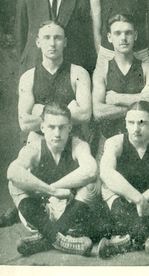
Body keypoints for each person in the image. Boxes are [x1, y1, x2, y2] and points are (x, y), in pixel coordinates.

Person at [0, 21, 92, 229]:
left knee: (89, 179)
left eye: (57, 38)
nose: (52, 43)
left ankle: (43, 211)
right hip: (39, 141)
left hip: (70, 141)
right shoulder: (28, 77)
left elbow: (85, 114)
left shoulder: (78, 73)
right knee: (26, 157)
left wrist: (40, 111)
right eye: (46, 38)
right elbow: (24, 122)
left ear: (65, 42)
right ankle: (23, 205)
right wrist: (65, 112)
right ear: (38, 42)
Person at [7, 102, 103, 257]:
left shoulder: (78, 145)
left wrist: (54, 187)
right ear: (42, 127)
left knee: (93, 184)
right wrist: (52, 191)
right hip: (40, 214)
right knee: (15, 184)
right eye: (51, 127)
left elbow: (91, 170)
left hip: (71, 213)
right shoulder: (34, 147)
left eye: (62, 127)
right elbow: (12, 171)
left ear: (70, 127)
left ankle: (46, 238)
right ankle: (61, 240)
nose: (57, 133)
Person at [98, 101, 149, 262]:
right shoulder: (114, 142)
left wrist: (144, 200)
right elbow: (106, 173)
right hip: (125, 203)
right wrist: (137, 198)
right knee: (106, 186)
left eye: (142, 123)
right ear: (125, 124)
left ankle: (125, 241)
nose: (136, 128)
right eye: (131, 123)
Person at [92, 13, 149, 161]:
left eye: (128, 33)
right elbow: (98, 112)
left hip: (142, 144)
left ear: (135, 35)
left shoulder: (147, 68)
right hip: (108, 140)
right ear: (110, 37)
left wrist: (117, 98)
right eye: (117, 33)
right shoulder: (101, 70)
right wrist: (140, 103)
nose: (123, 38)